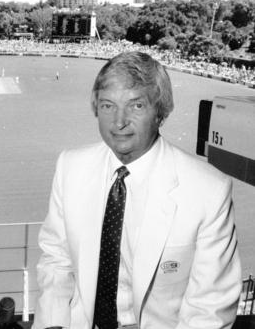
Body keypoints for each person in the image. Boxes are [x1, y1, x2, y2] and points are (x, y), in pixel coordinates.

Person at [33, 51, 241, 329]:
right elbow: (56, 259)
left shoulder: (208, 191)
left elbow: (209, 310)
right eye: (107, 106)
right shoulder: (70, 167)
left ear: (161, 112)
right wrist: (53, 324)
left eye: (136, 106)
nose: (119, 122)